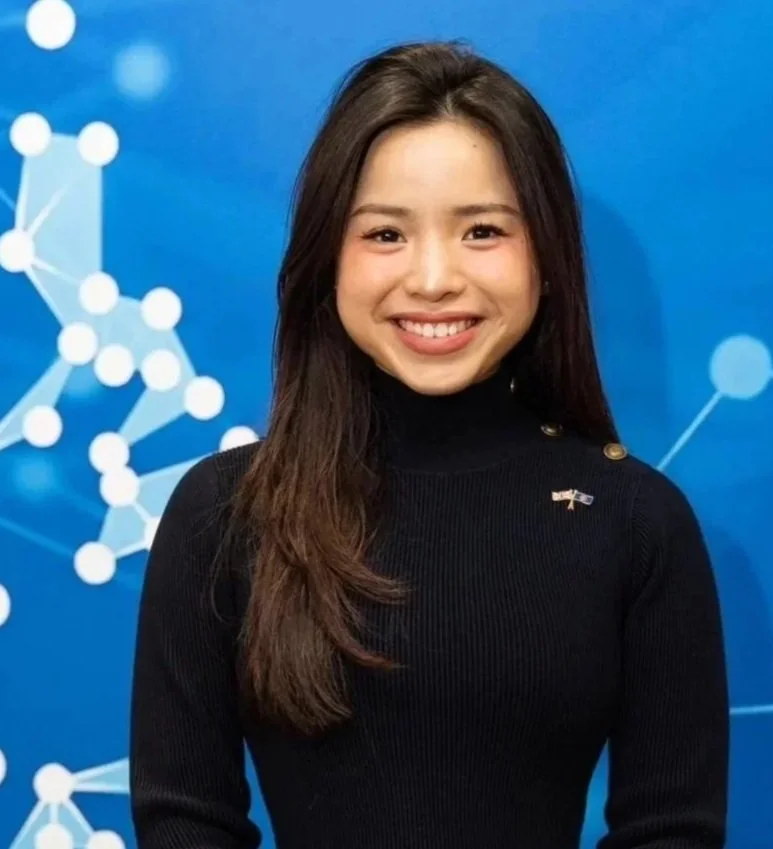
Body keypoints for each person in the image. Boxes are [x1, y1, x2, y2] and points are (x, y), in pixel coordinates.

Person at [130, 40, 729, 849]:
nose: (434, 278)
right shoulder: (224, 513)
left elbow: (672, 830)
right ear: (325, 260)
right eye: (384, 235)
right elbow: (184, 821)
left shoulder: (635, 520)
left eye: (482, 230)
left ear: (544, 255)